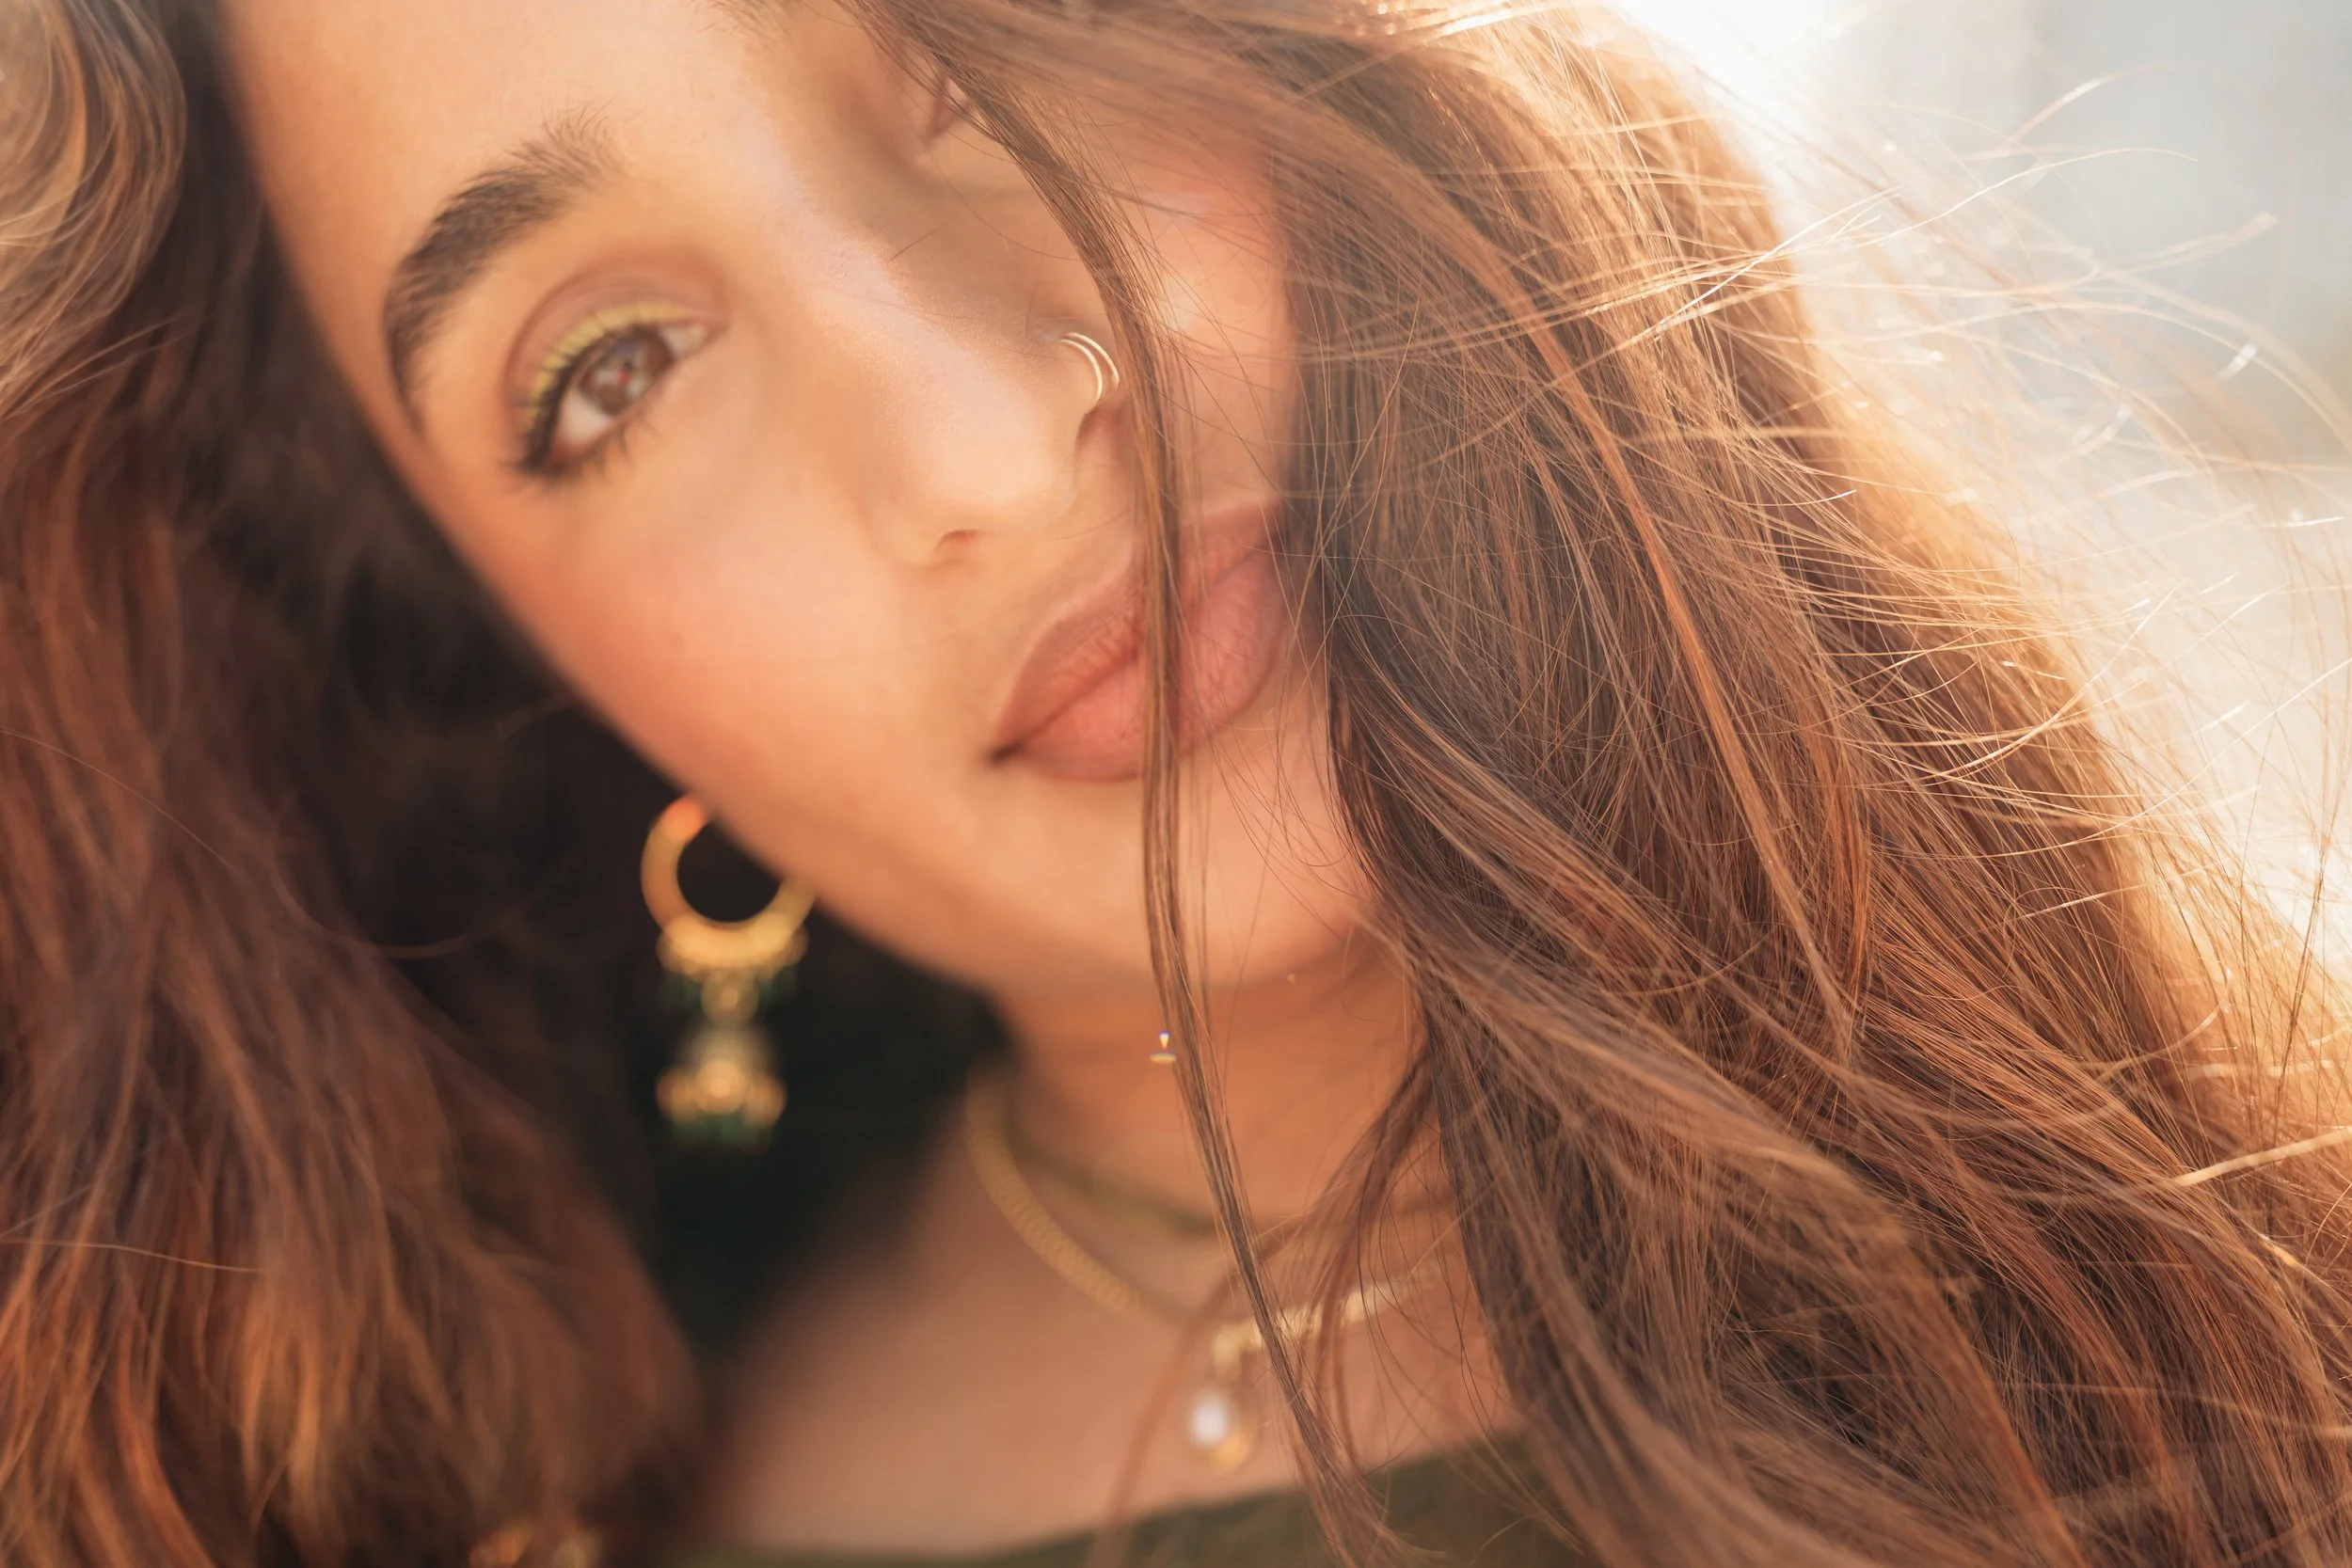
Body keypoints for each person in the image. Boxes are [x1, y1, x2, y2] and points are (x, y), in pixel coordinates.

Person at [6, 0, 2352, 1563]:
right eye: (613, 366)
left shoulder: (2236, 1224)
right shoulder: (552, 1492)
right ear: (510, 646)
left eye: (962, 47)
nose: (986, 435)